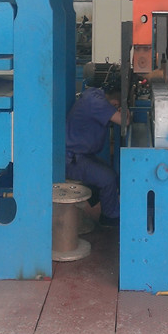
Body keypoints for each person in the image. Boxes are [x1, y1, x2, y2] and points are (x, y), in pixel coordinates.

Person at [65, 76, 123, 227]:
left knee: (111, 174)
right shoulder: (98, 103)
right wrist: (126, 111)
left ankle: (92, 205)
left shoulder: (94, 93)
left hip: (80, 155)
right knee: (108, 178)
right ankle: (109, 218)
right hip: (72, 159)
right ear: (116, 103)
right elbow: (125, 121)